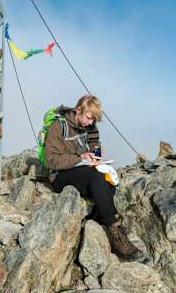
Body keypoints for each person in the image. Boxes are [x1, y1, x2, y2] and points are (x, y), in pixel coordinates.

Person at [44, 95, 138, 257]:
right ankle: (116, 234)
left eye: (93, 120)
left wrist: (96, 156)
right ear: (78, 110)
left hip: (83, 168)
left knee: (109, 177)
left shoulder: (91, 128)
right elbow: (51, 160)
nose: (90, 122)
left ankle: (99, 217)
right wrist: (80, 159)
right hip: (60, 175)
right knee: (97, 178)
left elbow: (95, 146)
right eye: (88, 118)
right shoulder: (58, 127)